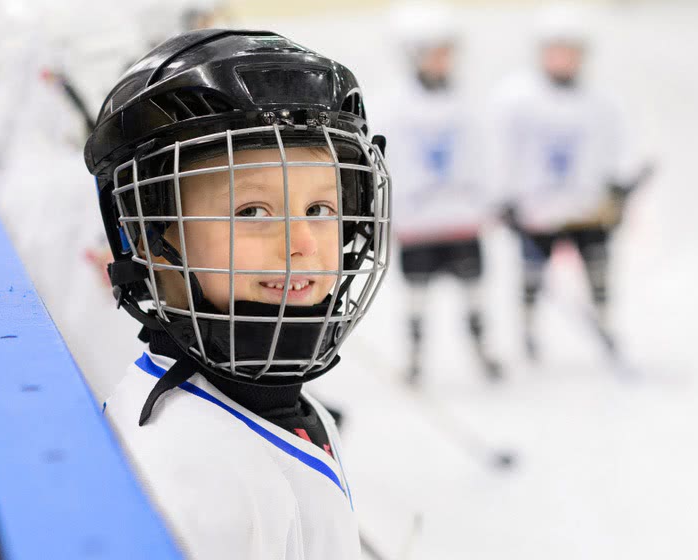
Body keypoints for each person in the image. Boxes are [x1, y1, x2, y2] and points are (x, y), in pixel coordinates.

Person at [84, 30, 391, 559]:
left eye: (320, 209)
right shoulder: (191, 468)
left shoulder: (283, 406)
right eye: (252, 212)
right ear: (152, 237)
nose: (301, 242)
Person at [491, 5, 643, 362]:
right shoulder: (515, 99)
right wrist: (504, 198)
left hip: (586, 208)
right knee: (532, 276)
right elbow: (501, 152)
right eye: (557, 50)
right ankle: (528, 332)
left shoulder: (601, 102)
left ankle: (605, 325)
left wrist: (619, 189)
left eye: (571, 51)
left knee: (598, 270)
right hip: (537, 209)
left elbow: (617, 148)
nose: (564, 58)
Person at [380, 2, 501, 385]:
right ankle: (415, 357)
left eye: (446, 52)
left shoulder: (468, 102)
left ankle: (482, 350)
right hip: (419, 224)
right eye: (434, 52)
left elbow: (485, 156)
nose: (442, 60)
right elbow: (387, 162)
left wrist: (490, 200)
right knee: (416, 297)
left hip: (462, 219)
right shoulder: (394, 107)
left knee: (475, 292)